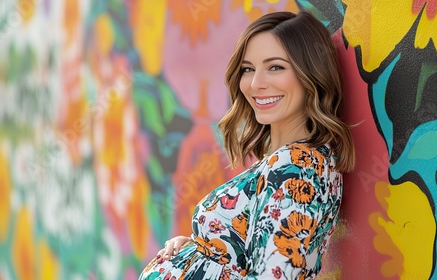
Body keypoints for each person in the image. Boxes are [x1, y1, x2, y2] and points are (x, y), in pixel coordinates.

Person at [139, 9, 355, 280]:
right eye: (248, 69)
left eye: (275, 67)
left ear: (310, 74)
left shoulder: (296, 167)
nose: (255, 84)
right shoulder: (285, 161)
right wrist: (201, 252)